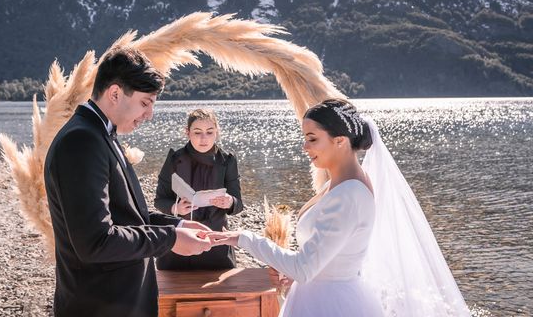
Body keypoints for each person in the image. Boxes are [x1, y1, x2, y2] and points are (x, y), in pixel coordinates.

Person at [209, 99, 470, 317]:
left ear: (340, 141)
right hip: (319, 295)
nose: (305, 147)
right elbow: (321, 260)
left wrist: (243, 238)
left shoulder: (350, 194)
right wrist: (295, 276)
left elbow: (304, 267)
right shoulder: (339, 184)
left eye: (312, 139)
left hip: (333, 305)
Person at [44, 47, 213, 317]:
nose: (149, 115)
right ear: (115, 93)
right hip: (99, 307)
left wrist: (177, 224)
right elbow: (96, 242)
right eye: (146, 103)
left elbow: (127, 217)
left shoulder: (99, 135)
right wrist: (170, 239)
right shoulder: (82, 142)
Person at [154, 109, 244, 270]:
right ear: (187, 133)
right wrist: (176, 208)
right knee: (174, 289)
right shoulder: (175, 158)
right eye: (197, 132)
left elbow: (238, 205)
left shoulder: (228, 160)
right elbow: (160, 200)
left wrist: (230, 202)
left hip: (215, 240)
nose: (204, 138)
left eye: (209, 132)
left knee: (219, 292)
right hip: (180, 240)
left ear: (216, 132)